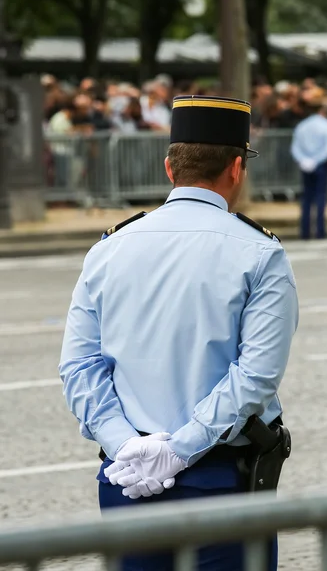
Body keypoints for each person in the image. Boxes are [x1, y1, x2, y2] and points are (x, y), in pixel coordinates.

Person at [59, 94, 299, 571]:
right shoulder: (261, 253)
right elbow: (254, 377)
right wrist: (179, 451)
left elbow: (79, 366)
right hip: (220, 480)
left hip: (128, 477)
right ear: (236, 169)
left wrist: (125, 444)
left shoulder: (109, 247)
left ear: (170, 168)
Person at [291, 87, 327, 240]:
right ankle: (320, 231)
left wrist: (304, 160)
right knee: (320, 198)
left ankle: (305, 231)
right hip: (321, 165)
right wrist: (316, 161)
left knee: (306, 198)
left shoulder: (302, 126)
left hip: (306, 164)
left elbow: (295, 147)